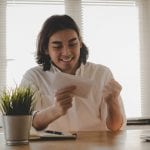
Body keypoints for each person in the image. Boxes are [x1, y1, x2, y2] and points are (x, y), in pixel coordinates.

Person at [20, 14, 126, 132]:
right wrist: (55, 110)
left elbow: (115, 127)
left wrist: (113, 104)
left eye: (72, 44)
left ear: (80, 43)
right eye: (57, 46)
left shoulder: (102, 74)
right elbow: (27, 123)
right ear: (46, 48)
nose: (66, 52)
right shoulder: (33, 77)